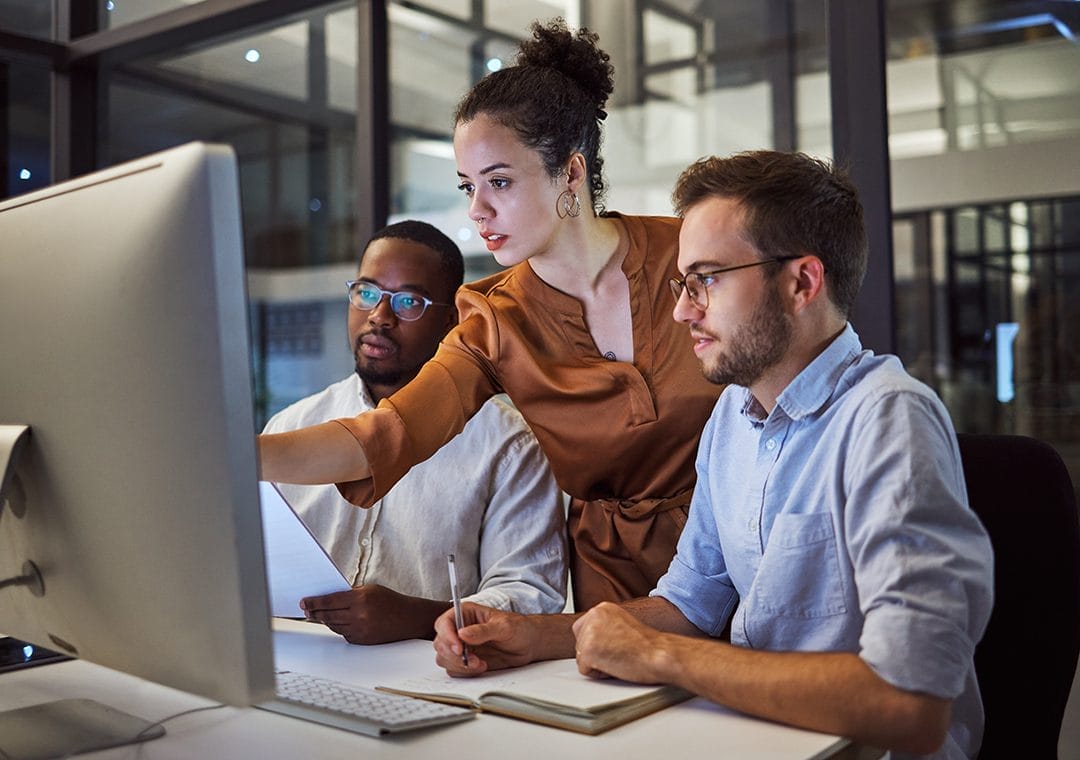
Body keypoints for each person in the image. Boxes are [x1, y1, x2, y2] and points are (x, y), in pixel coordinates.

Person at [431, 151, 995, 759]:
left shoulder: (888, 419)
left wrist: (661, 656)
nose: (681, 310)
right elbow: (689, 603)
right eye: (682, 283)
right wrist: (534, 636)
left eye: (707, 280)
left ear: (802, 282)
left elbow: (909, 704)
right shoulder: (732, 414)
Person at [258, 19, 722, 609]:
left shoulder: (691, 255)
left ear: (571, 173)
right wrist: (236, 453)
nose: (478, 210)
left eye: (498, 182)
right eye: (467, 187)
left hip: (740, 548)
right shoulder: (492, 319)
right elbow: (384, 435)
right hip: (614, 587)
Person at [263, 220, 567, 644]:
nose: (379, 316)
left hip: (433, 674)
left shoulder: (509, 445)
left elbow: (532, 595)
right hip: (294, 661)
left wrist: (416, 617)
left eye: (409, 302)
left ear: (451, 320)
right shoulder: (293, 426)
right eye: (366, 293)